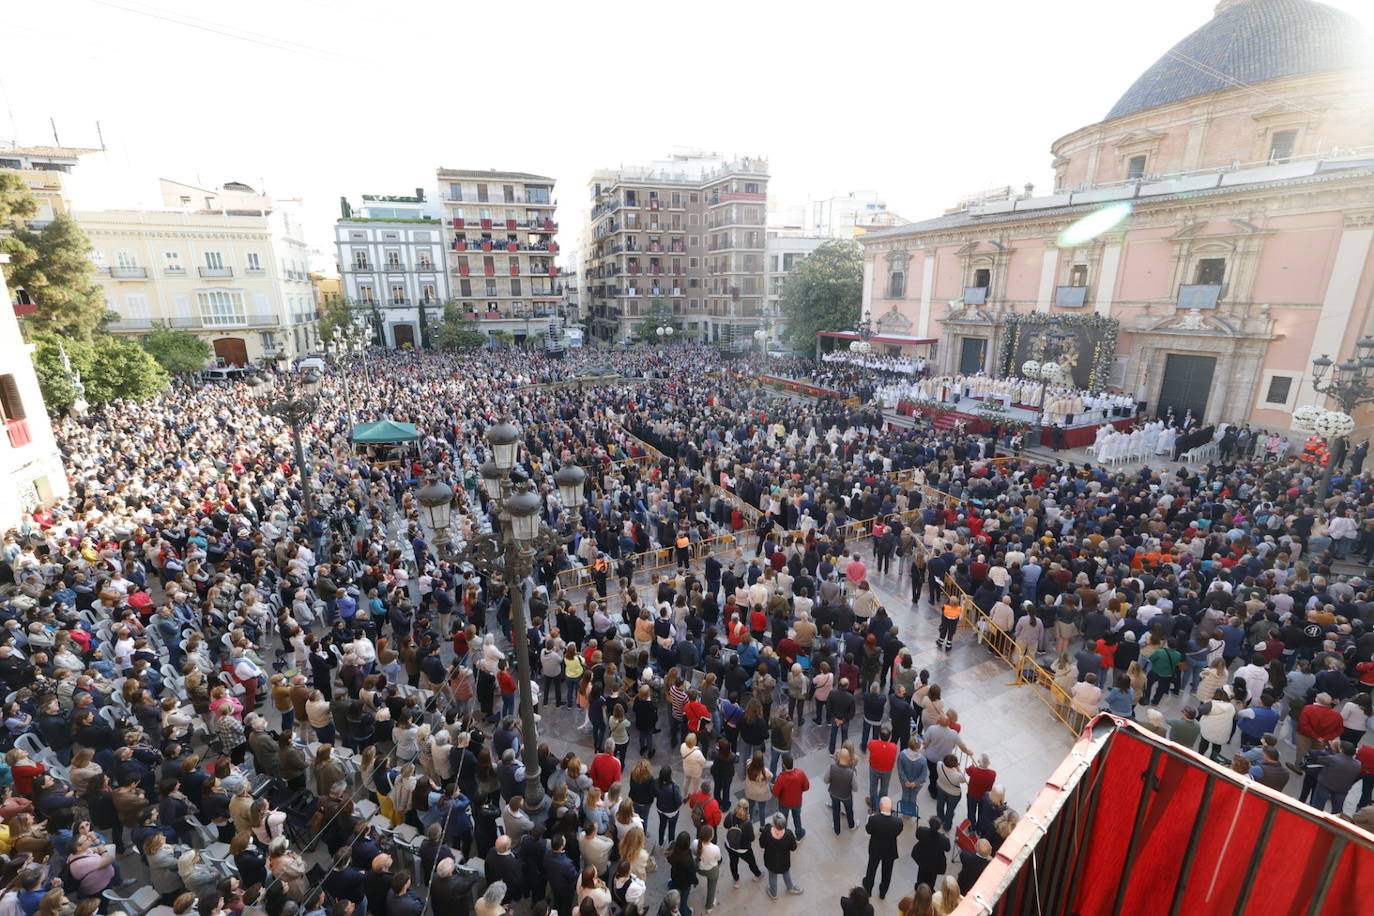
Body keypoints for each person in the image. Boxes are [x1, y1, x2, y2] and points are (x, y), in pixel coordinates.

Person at [861, 796, 904, 900]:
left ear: (880, 807)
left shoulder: (873, 819)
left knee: (871, 869)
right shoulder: (898, 822)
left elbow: (868, 830)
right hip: (890, 850)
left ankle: (868, 889)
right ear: (891, 807)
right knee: (887, 872)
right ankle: (883, 892)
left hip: (875, 848)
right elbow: (898, 832)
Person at [758, 813, 804, 899]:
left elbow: (761, 844)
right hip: (784, 860)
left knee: (772, 876)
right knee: (786, 872)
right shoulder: (789, 834)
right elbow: (793, 848)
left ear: (774, 823)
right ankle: (790, 887)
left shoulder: (767, 830)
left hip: (770, 860)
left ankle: (773, 893)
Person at [722, 800, 762, 886]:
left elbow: (725, 825)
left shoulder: (731, 815)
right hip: (743, 849)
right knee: (751, 862)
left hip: (730, 845)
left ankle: (736, 880)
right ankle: (757, 875)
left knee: (733, 862)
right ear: (747, 809)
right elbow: (751, 838)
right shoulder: (747, 823)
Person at [770, 754, 810, 839]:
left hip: (784, 803)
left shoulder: (781, 778)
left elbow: (775, 793)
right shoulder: (801, 773)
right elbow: (806, 787)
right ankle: (799, 834)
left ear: (784, 765)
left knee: (783, 820)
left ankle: (783, 835)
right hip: (797, 801)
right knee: (797, 818)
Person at [911, 816, 950, 891]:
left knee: (921, 873)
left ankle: (919, 887)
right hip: (935, 863)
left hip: (922, 858)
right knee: (932, 878)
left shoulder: (922, 831)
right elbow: (948, 849)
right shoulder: (944, 840)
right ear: (939, 827)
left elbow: (917, 836)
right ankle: (929, 890)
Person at [826, 747, 858, 834]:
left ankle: (837, 831)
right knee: (849, 810)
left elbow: (825, 780)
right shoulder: (851, 773)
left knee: (836, 811)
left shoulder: (831, 767)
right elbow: (855, 788)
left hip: (833, 793)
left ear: (838, 757)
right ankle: (851, 826)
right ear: (848, 759)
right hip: (846, 796)